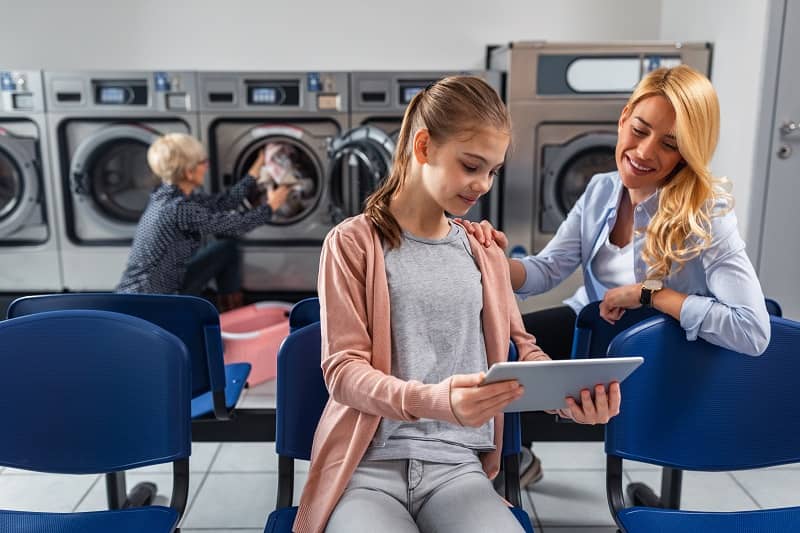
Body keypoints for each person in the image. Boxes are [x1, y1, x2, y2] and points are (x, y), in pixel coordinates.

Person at [294, 76, 622, 533]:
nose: (483, 184)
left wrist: (570, 400)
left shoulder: (483, 249)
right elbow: (344, 372)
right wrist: (436, 401)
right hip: (367, 469)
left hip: (457, 468)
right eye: (471, 165)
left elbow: (523, 350)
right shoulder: (352, 243)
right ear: (424, 146)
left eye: (492, 170)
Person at [461, 64, 772, 488]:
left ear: (688, 152)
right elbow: (547, 270)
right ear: (624, 117)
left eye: (669, 144)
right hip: (591, 332)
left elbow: (752, 329)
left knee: (518, 362)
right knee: (494, 344)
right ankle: (513, 459)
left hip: (655, 357)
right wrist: (490, 259)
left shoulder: (707, 212)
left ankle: (515, 452)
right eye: (640, 129)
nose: (644, 152)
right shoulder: (601, 190)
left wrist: (650, 295)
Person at [117, 133, 290, 310]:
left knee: (226, 248)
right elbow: (237, 225)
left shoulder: (167, 196)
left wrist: (254, 171)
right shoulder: (179, 209)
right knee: (227, 244)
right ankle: (229, 316)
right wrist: (271, 206)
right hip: (154, 302)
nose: (207, 166)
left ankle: (230, 309)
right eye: (203, 162)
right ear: (189, 172)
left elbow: (224, 202)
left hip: (151, 289)